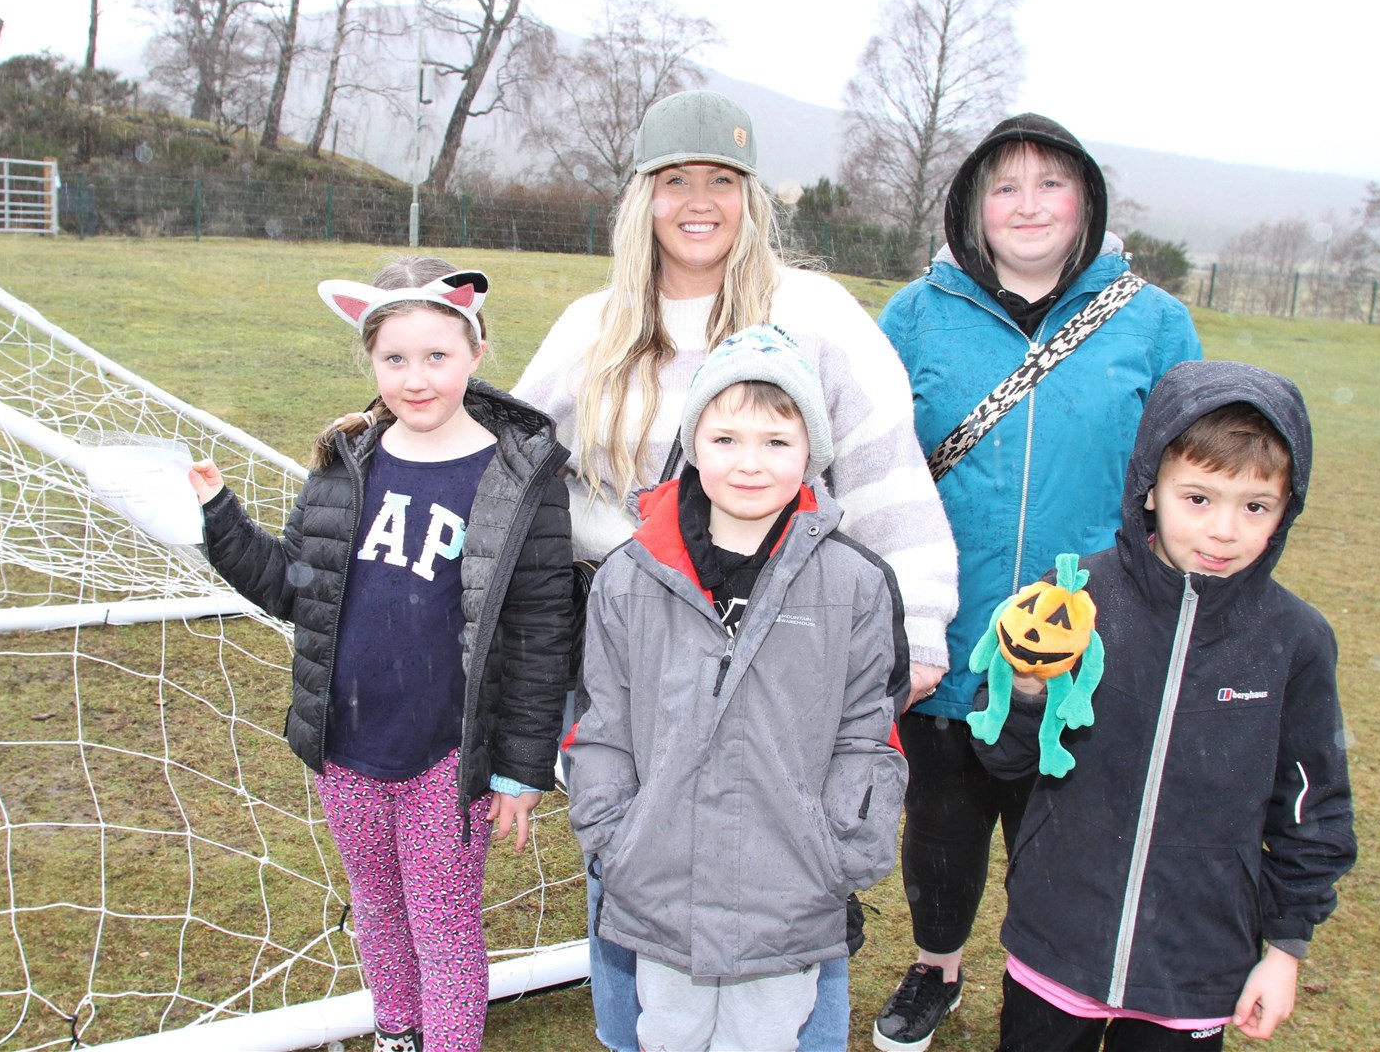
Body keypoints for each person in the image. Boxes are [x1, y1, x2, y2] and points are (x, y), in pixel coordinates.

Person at [514, 88, 958, 1051]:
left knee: (790, 881)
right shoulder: (595, 326)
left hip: (788, 644)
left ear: (752, 197)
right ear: (645, 197)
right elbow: (515, 462)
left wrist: (917, 621)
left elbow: (882, 465)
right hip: (629, 644)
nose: (699, 200)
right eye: (676, 180)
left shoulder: (815, 313)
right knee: (635, 878)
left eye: (722, 179)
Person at [874, 113, 1202, 1052]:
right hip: (945, 622)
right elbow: (870, 463)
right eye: (1005, 186)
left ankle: (1051, 981)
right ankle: (936, 966)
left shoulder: (1153, 321)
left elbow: (1191, 471)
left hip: (1090, 635)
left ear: (1086, 201)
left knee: (1062, 826)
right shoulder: (917, 314)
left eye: (1049, 184)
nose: (1028, 205)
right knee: (941, 818)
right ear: (973, 205)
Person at [188, 257, 571, 1052]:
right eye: (395, 358)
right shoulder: (345, 460)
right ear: (370, 360)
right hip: (347, 747)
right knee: (378, 907)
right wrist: (219, 518)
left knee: (442, 924)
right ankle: (397, 1033)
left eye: (437, 356)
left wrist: (522, 770)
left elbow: (540, 633)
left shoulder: (519, 476)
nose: (416, 377)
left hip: (448, 754)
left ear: (476, 351)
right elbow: (296, 588)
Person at [975, 359, 1356, 1050]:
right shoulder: (1077, 600)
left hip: (1197, 960)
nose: (1223, 531)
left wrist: (1286, 949)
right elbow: (1001, 756)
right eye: (1199, 499)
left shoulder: (1295, 640)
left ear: (1287, 507)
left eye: (1256, 507)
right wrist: (1028, 687)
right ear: (1150, 489)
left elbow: (1313, 806)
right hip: (1059, 932)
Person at [568, 325, 909, 1052]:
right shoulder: (630, 577)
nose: (749, 463)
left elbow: (869, 732)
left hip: (787, 887)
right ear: (693, 444)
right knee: (668, 1033)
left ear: (811, 453)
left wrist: (836, 849)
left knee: (765, 1037)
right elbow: (602, 723)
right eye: (725, 440)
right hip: (659, 877)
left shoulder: (854, 583)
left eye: (776, 442)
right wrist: (615, 839)